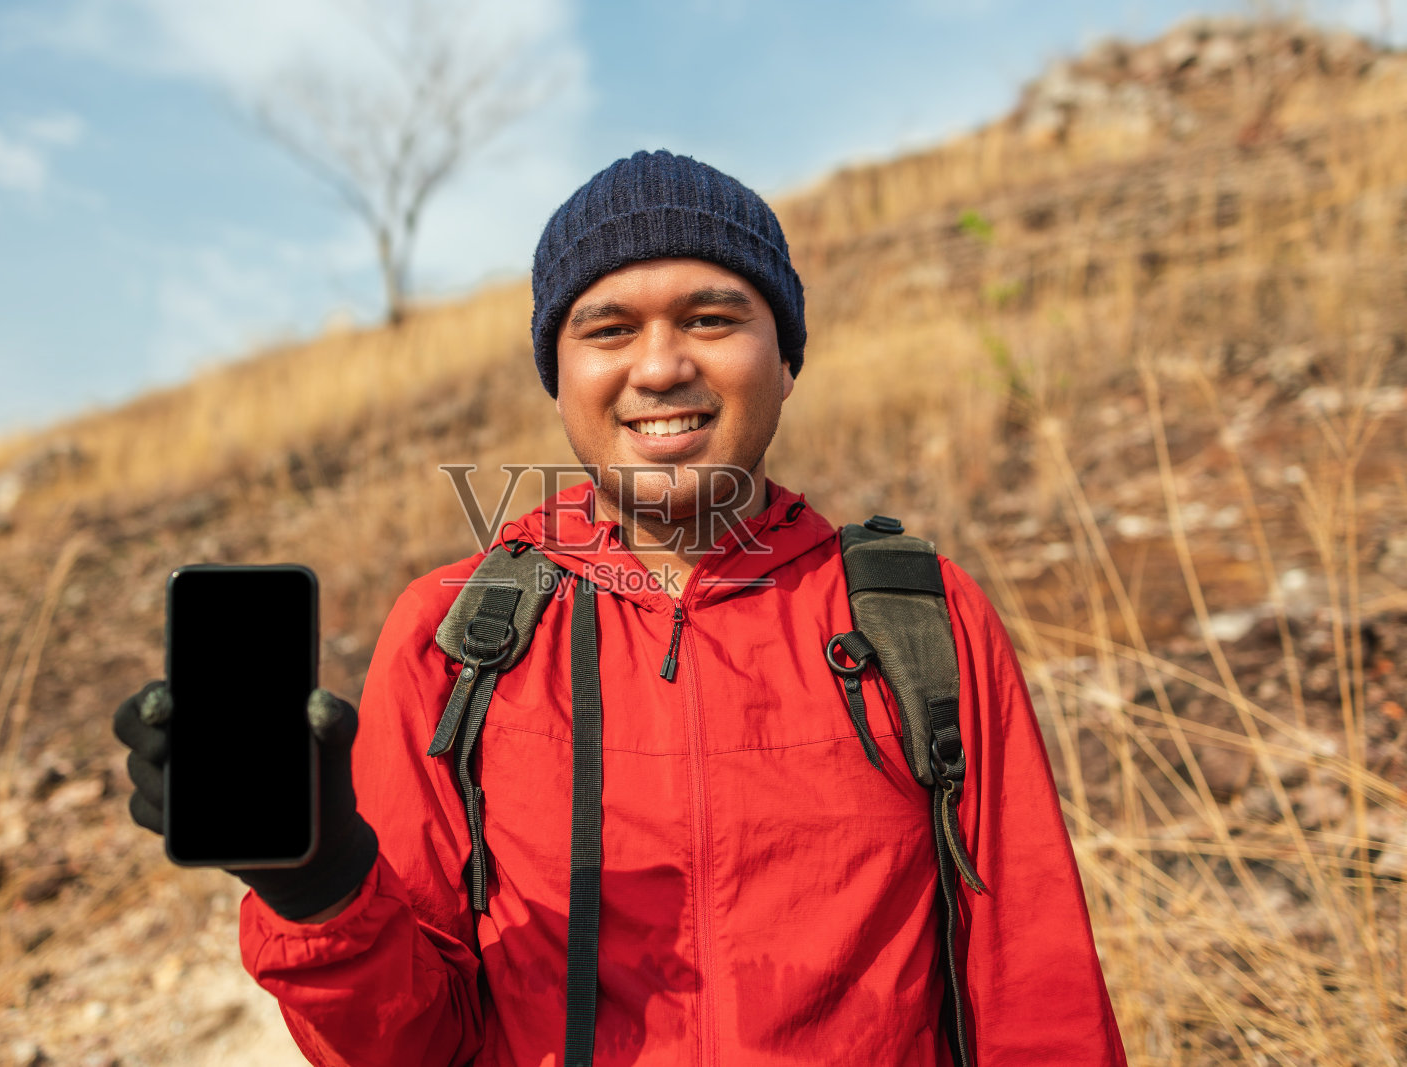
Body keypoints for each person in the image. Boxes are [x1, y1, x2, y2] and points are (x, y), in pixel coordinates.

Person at [114, 150, 1126, 1065]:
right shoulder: (453, 635)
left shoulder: (922, 618)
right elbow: (411, 1050)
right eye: (607, 329)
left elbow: (1036, 994)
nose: (658, 367)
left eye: (711, 317)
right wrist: (321, 885)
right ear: (560, 376)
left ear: (787, 356)